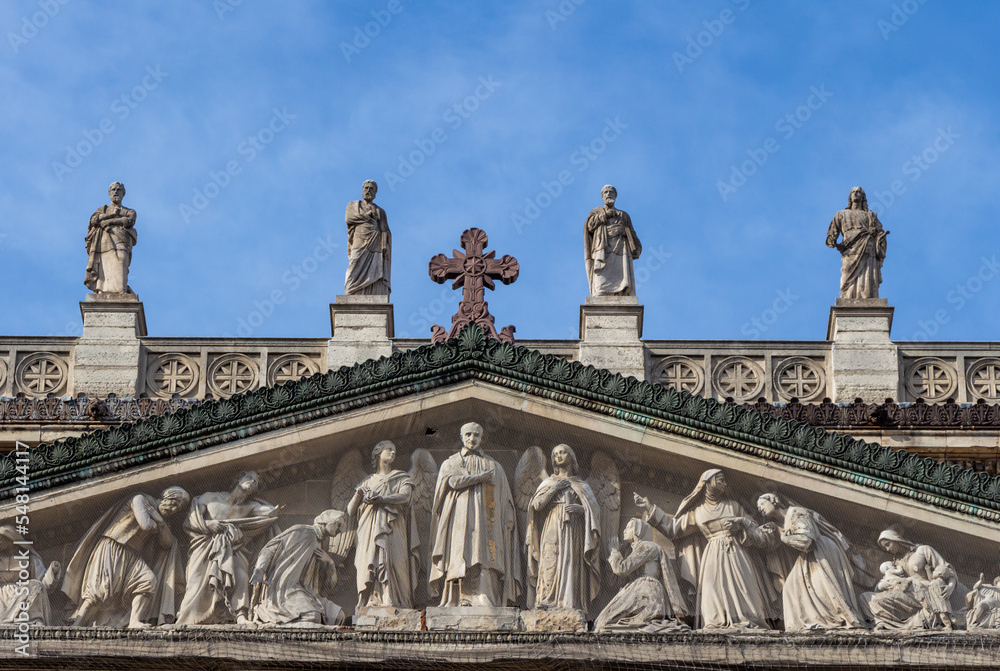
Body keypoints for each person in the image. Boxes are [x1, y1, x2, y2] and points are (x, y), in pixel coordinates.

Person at [635, 469, 774, 629]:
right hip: (713, 555)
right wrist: (650, 508)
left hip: (736, 553)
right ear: (707, 483)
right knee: (713, 589)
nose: (725, 484)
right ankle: (717, 624)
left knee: (746, 588)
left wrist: (742, 523)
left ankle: (750, 622)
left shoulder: (733, 506)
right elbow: (673, 529)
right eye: (721, 480)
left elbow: (755, 529)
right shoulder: (698, 512)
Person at [63, 486, 189, 628]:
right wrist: (157, 522)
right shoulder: (140, 499)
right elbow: (145, 524)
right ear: (166, 496)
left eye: (178, 508)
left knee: (148, 581)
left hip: (133, 555)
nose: (173, 509)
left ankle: (135, 621)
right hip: (114, 546)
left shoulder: (162, 521)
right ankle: (77, 624)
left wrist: (160, 521)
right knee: (100, 589)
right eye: (174, 503)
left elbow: (167, 543)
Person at [429, 422, 520, 607]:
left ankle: (484, 595)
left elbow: (505, 500)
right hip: (458, 518)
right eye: (468, 434)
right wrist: (479, 478)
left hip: (487, 520)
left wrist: (507, 520)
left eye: (476, 435)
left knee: (484, 552)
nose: (472, 438)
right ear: (461, 437)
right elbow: (452, 483)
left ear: (481, 438)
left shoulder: (494, 466)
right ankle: (456, 597)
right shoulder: (451, 463)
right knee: (460, 552)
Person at [176, 472, 279, 625]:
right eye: (249, 478)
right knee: (197, 579)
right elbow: (189, 522)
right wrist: (207, 525)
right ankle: (187, 617)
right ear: (238, 479)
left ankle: (241, 616)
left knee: (242, 576)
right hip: (205, 546)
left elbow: (269, 513)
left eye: (256, 482)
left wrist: (273, 509)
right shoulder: (209, 497)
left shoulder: (250, 507)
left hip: (233, 548)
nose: (252, 482)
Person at [756, 493, 865, 631]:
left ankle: (834, 620)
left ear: (774, 501)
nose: (760, 509)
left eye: (762, 504)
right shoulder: (783, 523)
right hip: (809, 556)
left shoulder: (796, 512)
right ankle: (811, 623)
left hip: (821, 553)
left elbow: (807, 541)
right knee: (789, 588)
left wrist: (783, 537)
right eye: (758, 508)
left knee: (824, 589)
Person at [526, 444, 601, 612]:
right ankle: (547, 598)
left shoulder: (582, 485)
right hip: (552, 525)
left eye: (563, 452)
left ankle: (570, 601)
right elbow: (536, 506)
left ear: (571, 457)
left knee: (571, 561)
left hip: (574, 528)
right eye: (556, 454)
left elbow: (595, 511)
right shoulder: (548, 482)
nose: (559, 456)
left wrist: (582, 510)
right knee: (550, 559)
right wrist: (554, 488)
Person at [347, 440, 420, 610]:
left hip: (395, 528)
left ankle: (395, 599)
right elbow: (350, 511)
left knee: (396, 562)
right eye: (389, 449)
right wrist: (359, 493)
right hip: (369, 530)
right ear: (378, 453)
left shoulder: (402, 477)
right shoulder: (367, 481)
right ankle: (374, 598)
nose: (393, 453)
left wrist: (381, 499)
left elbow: (406, 497)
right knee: (372, 562)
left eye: (394, 450)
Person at [249, 510, 347, 627]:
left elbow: (329, 586)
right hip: (287, 589)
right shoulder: (302, 531)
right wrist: (259, 570)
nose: (340, 530)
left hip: (309, 594)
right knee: (312, 616)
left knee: (338, 616)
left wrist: (330, 563)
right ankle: (275, 625)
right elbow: (271, 547)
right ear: (325, 521)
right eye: (338, 524)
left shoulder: (322, 545)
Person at [594, 518, 688, 633]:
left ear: (637, 531)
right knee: (602, 621)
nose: (624, 531)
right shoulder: (633, 551)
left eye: (628, 527)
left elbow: (622, 569)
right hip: (638, 588)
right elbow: (614, 582)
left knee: (605, 624)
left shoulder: (647, 547)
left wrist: (614, 551)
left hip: (646, 590)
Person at [868, 528, 965, 630]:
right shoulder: (896, 563)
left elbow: (946, 569)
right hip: (909, 595)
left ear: (895, 539)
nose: (887, 549)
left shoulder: (923, 550)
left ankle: (943, 620)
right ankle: (887, 624)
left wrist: (950, 586)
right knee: (874, 600)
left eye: (888, 544)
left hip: (927, 591)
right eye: (885, 547)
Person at [825, 186, 889, 299]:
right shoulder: (841, 214)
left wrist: (880, 237)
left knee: (867, 275)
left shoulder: (871, 215)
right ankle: (848, 296)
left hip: (867, 248)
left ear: (863, 197)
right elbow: (832, 233)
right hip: (849, 249)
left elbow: (880, 233)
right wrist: (832, 241)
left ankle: (866, 297)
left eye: (858, 192)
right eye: (853, 192)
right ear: (850, 196)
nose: (856, 193)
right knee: (846, 275)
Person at [584, 185, 642, 296]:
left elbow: (632, 234)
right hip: (602, 249)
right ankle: (601, 291)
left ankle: (621, 292)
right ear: (602, 196)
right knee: (601, 280)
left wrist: (637, 247)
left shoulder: (623, 215)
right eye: (605, 192)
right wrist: (604, 215)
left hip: (620, 249)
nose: (608, 194)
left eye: (611, 192)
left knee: (622, 278)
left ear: (615, 195)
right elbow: (590, 226)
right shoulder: (596, 212)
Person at [0, 525, 61, 625]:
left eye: (1, 539)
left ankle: (30, 619)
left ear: (11, 539)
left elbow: (43, 584)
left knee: (36, 585)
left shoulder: (30, 560)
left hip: (21, 594)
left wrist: (52, 572)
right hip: (1, 598)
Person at [85, 181, 137, 294]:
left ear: (123, 193)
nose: (115, 192)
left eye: (118, 190)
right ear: (109, 193)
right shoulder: (102, 209)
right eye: (113, 190)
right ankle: (102, 291)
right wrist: (110, 215)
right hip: (103, 243)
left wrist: (108, 221)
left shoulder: (129, 211)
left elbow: (128, 221)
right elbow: (94, 220)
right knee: (104, 265)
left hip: (121, 241)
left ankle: (120, 290)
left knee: (121, 260)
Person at [344, 179, 391, 295]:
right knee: (355, 263)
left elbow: (384, 229)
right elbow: (349, 218)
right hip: (359, 239)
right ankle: (350, 290)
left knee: (374, 268)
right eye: (366, 188)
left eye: (371, 188)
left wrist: (384, 245)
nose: (368, 190)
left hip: (375, 242)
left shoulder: (380, 211)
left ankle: (371, 291)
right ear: (362, 190)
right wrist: (367, 216)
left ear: (375, 193)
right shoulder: (354, 205)